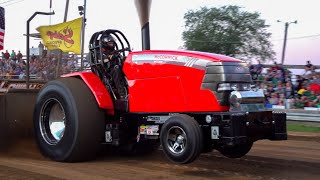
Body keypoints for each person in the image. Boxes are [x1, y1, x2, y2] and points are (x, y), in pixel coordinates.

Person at [101, 34, 127, 99]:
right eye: (110, 43)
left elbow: (120, 58)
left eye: (112, 43)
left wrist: (124, 59)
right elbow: (103, 61)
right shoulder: (101, 53)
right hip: (108, 72)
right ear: (105, 43)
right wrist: (111, 57)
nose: (111, 44)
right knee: (116, 69)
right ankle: (122, 94)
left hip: (117, 68)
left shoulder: (114, 52)